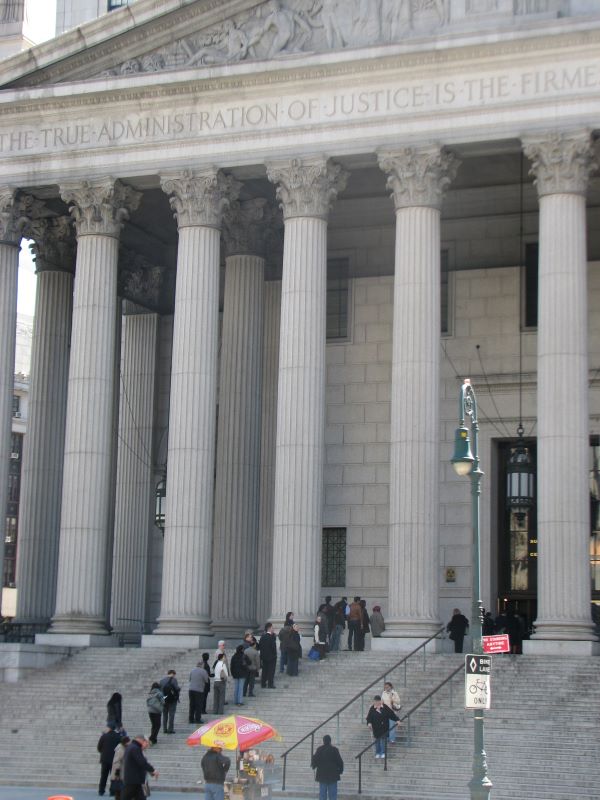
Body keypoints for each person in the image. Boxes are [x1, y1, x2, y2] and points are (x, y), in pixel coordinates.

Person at [122, 735, 158, 800]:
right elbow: (142, 762)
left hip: (136, 780)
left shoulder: (132, 747)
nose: (147, 745)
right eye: (146, 742)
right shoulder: (135, 748)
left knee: (141, 797)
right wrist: (153, 770)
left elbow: (142, 763)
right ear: (141, 740)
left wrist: (151, 771)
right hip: (134, 780)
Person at [310, 734, 344, 800]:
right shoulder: (335, 750)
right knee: (333, 796)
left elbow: (315, 761)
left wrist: (313, 765)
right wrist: (340, 771)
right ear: (330, 741)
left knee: (322, 795)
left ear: (323, 741)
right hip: (333, 776)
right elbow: (340, 762)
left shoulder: (319, 749)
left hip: (322, 775)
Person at [366, 695, 398, 759]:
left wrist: (397, 720)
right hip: (376, 727)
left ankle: (383, 752)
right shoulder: (372, 708)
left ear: (380, 701)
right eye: (375, 701)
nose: (376, 702)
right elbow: (369, 717)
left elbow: (391, 714)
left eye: (378, 701)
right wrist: (369, 723)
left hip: (384, 727)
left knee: (383, 740)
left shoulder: (385, 707)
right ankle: (377, 752)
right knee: (377, 740)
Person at [97, 721, 121, 796]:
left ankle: (101, 791)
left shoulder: (104, 736)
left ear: (109, 728)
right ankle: (112, 792)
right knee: (113, 776)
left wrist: (103, 752)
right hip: (114, 760)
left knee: (103, 775)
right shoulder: (118, 736)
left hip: (104, 759)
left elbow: (99, 747)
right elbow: (120, 748)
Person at [110, 734, 130, 800]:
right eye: (128, 742)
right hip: (119, 774)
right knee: (120, 791)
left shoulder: (123, 748)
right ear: (125, 742)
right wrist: (117, 773)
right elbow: (116, 762)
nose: (129, 743)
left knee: (120, 792)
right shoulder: (120, 749)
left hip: (121, 773)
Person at [159, 669, 180, 734]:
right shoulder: (174, 680)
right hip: (172, 700)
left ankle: (164, 729)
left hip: (164, 699)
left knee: (165, 715)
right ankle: (170, 729)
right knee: (171, 714)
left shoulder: (162, 681)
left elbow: (160, 690)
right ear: (173, 674)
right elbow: (177, 689)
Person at [259, 622, 277, 688]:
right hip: (271, 657)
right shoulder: (271, 637)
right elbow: (273, 647)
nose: (273, 629)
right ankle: (270, 684)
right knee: (271, 671)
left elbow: (260, 646)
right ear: (269, 628)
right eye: (272, 627)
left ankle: (263, 684)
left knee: (264, 671)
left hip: (264, 657)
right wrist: (275, 655)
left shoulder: (262, 637)